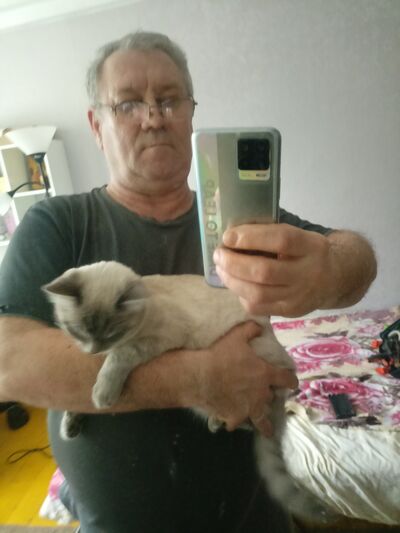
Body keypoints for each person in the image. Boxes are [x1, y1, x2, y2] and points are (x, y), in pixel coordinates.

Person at [0, 31, 376, 533]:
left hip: (254, 519)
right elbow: (7, 361)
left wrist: (329, 270)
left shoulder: (240, 222)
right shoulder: (59, 223)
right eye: (128, 103)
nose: (153, 117)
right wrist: (198, 378)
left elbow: (356, 259)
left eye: (169, 99)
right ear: (96, 125)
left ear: (191, 114)